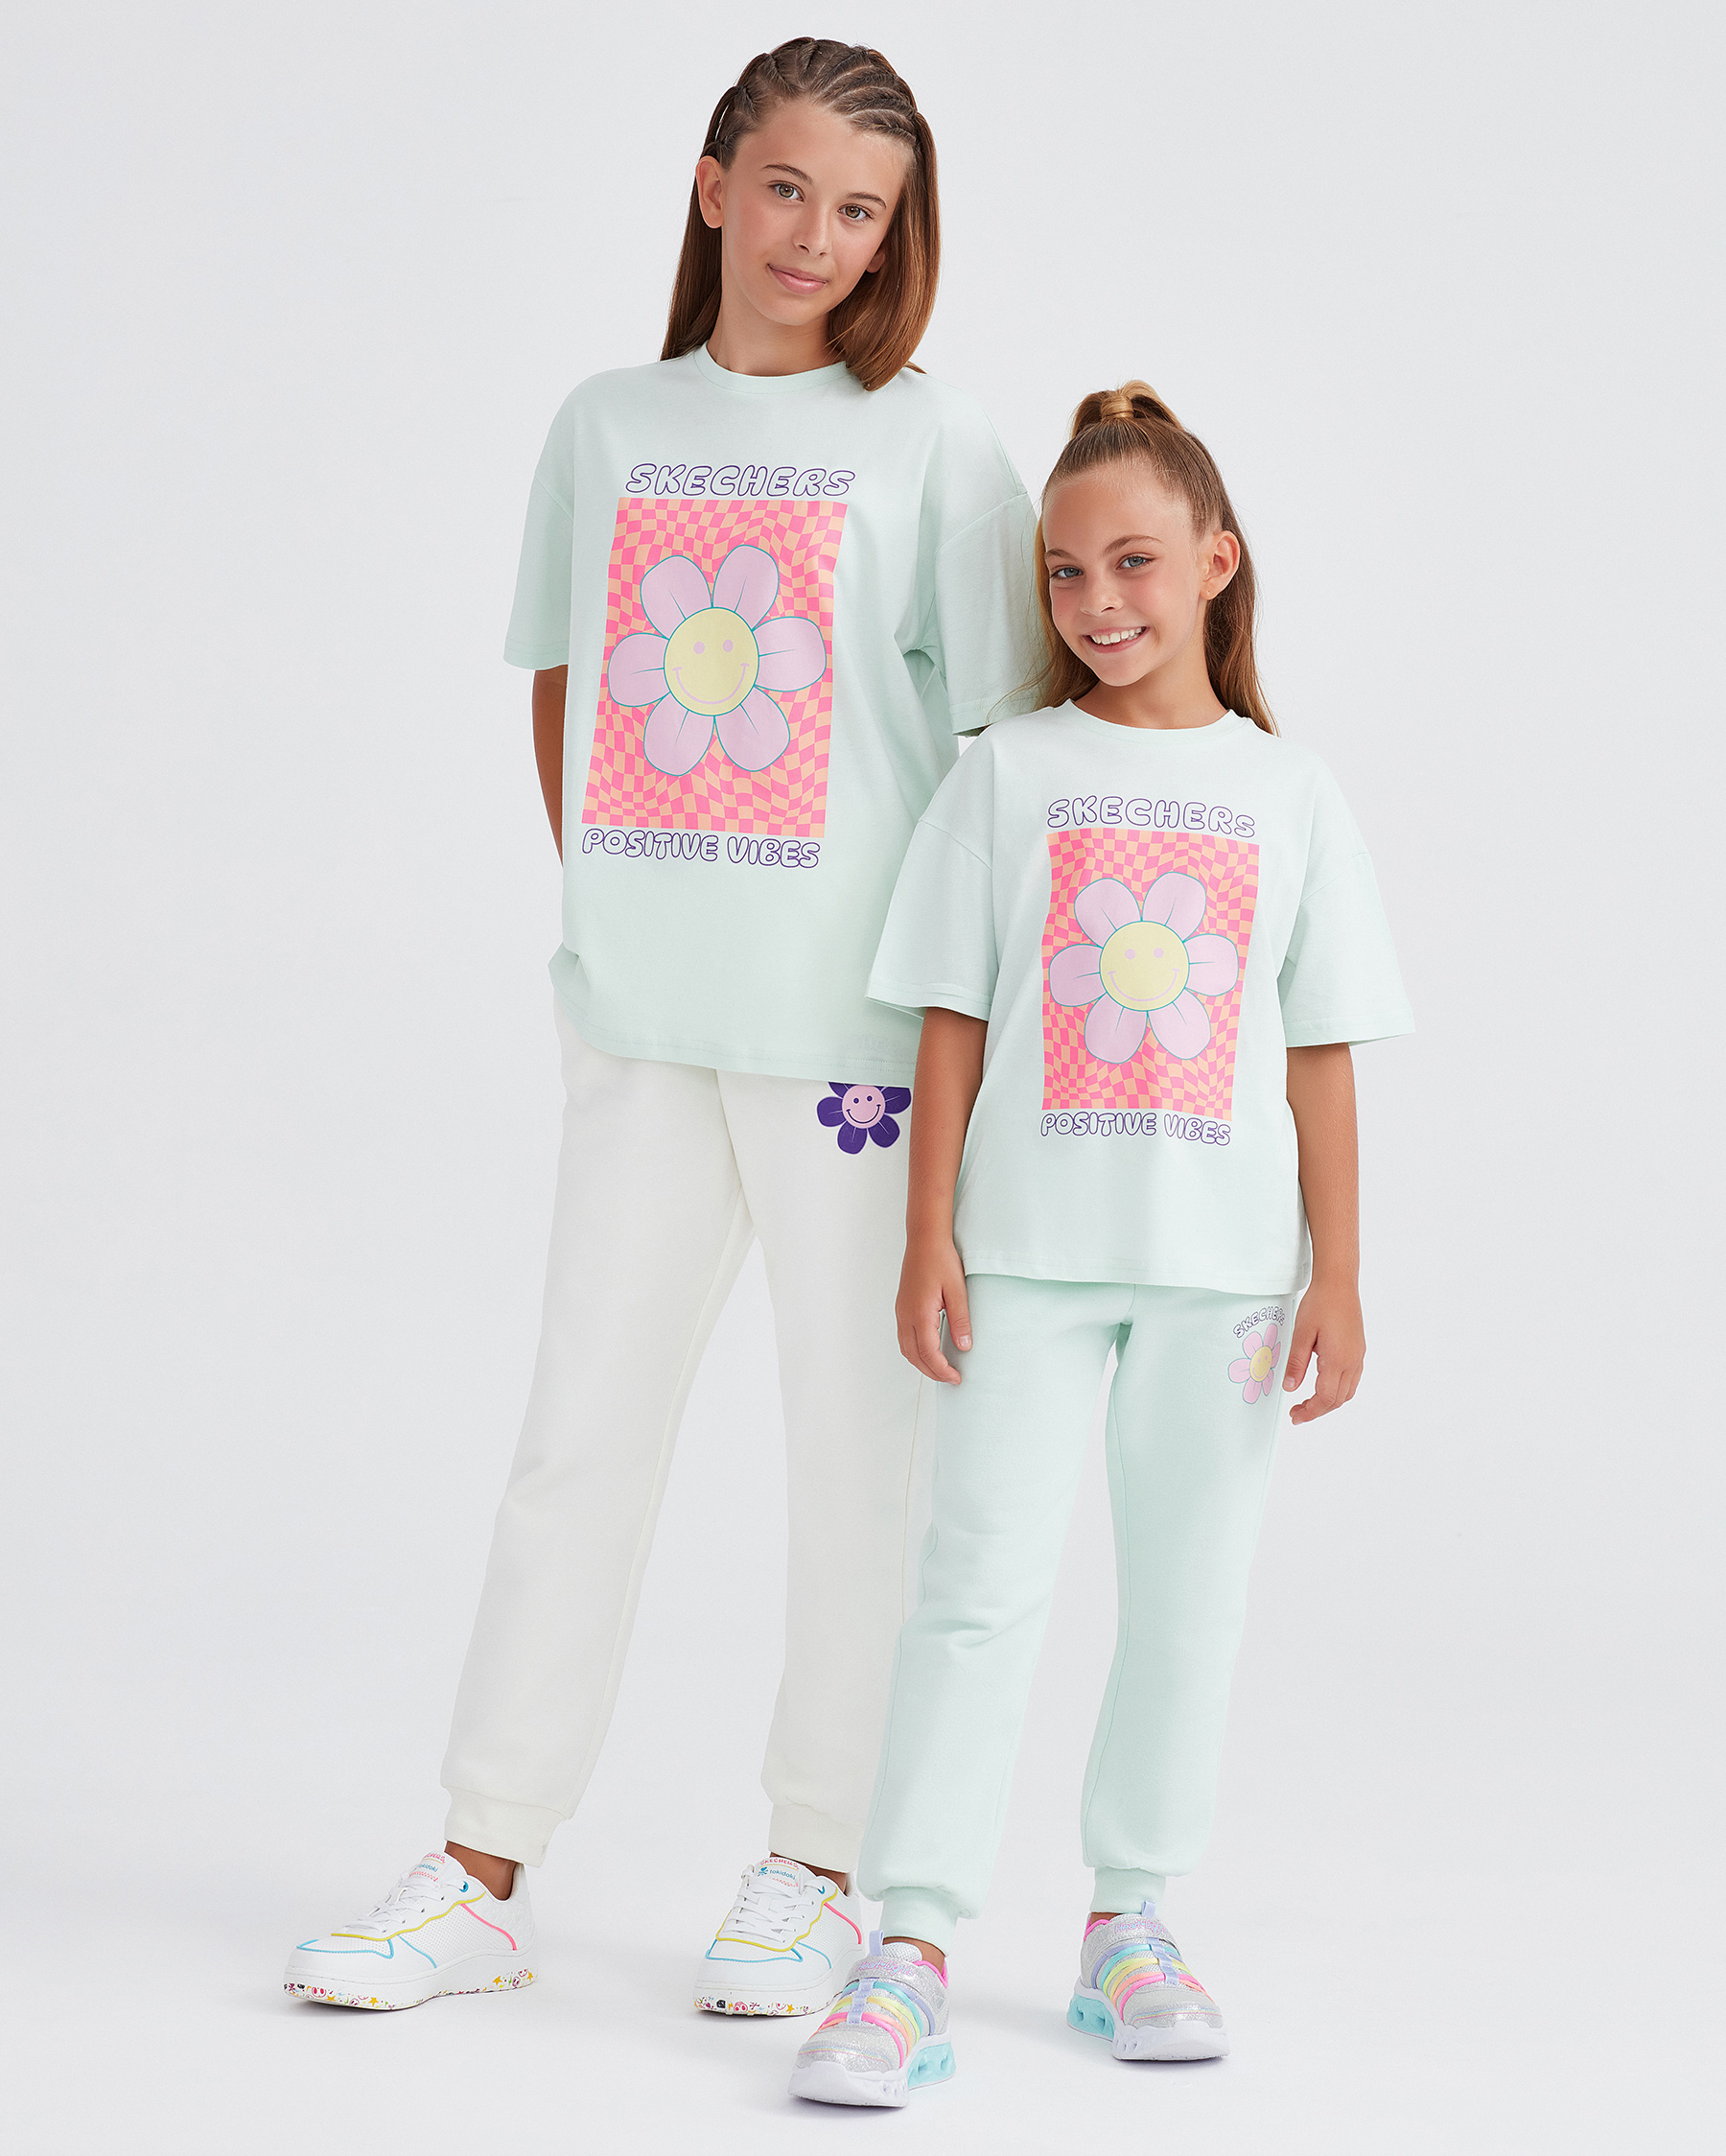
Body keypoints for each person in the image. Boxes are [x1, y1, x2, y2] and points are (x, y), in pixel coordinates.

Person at [283, 38, 1038, 2018]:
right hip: (639, 1025)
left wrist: (964, 1039)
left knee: (860, 1458)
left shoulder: (934, 444)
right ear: (714, 185)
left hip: (859, 1052)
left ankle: (820, 1861)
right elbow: (564, 685)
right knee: (579, 1440)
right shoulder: (606, 424)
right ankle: (482, 1864)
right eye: (786, 189)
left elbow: (999, 757)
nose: (818, 237)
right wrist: (639, 904)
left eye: (861, 209)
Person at [788, 382, 1413, 2104]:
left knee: (1189, 1601)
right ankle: (909, 1946)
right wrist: (927, 1230)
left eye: (1132, 561)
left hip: (1224, 1277)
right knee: (973, 1593)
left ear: (1217, 561)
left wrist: (1341, 1273)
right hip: (1025, 1256)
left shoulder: (1289, 791)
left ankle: (1129, 1919)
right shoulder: (1009, 774)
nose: (1096, 601)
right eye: (1064, 572)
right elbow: (951, 1015)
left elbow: (1320, 1050)